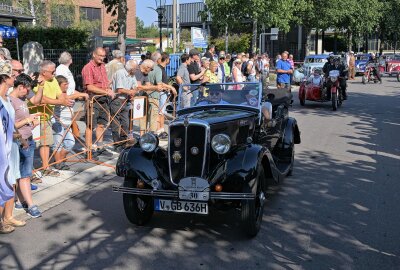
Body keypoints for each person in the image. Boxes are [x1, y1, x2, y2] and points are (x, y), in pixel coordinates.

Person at [30, 60, 74, 176]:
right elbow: (41, 99)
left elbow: (60, 95)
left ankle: (46, 167)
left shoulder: (53, 80)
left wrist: (62, 100)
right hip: (35, 117)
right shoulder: (36, 80)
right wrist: (59, 101)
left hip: (47, 116)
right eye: (52, 71)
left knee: (46, 143)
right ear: (44, 72)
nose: (55, 74)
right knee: (31, 145)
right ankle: (29, 172)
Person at [9, 73, 44, 218]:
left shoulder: (22, 98)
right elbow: (9, 125)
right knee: (22, 175)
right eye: (27, 90)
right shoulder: (9, 101)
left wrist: (31, 122)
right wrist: (27, 120)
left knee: (23, 174)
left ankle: (21, 200)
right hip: (18, 141)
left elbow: (35, 101)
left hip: (27, 138)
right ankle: (30, 205)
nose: (28, 93)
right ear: (21, 87)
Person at [0, 60, 26, 233]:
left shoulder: (7, 98)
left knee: (8, 182)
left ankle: (5, 219)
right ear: (5, 77)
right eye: (12, 74)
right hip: (1, 149)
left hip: (8, 147)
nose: (15, 77)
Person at [81, 47, 114, 157]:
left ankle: (100, 147)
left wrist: (108, 88)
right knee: (90, 125)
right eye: (100, 56)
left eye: (103, 56)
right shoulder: (88, 68)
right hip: (93, 100)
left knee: (102, 124)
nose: (102, 58)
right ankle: (89, 149)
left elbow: (104, 83)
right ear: (94, 55)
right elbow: (90, 87)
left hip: (103, 100)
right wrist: (105, 92)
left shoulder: (103, 66)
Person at [52, 75, 88, 170]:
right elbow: (65, 98)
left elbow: (77, 94)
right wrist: (79, 95)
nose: (67, 86)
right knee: (57, 144)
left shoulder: (69, 91)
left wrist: (83, 95)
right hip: (58, 122)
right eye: (65, 84)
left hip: (68, 123)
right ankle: (58, 163)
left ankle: (60, 160)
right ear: (59, 85)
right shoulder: (57, 92)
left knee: (70, 143)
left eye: (67, 84)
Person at [110, 60, 138, 150]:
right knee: (116, 123)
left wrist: (134, 91)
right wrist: (130, 91)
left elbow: (135, 86)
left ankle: (123, 142)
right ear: (131, 68)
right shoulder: (120, 73)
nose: (136, 69)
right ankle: (117, 144)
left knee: (125, 123)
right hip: (117, 100)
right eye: (135, 68)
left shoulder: (132, 74)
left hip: (126, 100)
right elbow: (119, 89)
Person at [147, 52, 176, 136]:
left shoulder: (159, 68)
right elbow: (160, 83)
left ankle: (160, 129)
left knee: (160, 112)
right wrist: (170, 87)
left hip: (160, 93)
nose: (169, 60)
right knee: (160, 112)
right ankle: (159, 130)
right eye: (169, 59)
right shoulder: (158, 69)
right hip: (160, 93)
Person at [135, 59, 164, 133]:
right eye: (151, 69)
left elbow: (148, 85)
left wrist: (161, 87)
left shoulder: (145, 73)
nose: (151, 71)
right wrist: (156, 87)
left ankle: (146, 136)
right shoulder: (137, 71)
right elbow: (139, 87)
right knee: (136, 118)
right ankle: (138, 137)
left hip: (141, 97)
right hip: (133, 98)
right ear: (147, 67)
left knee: (144, 116)